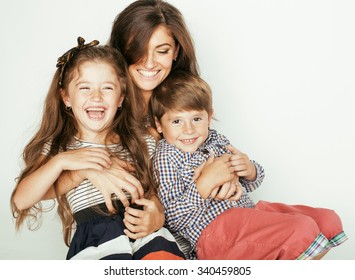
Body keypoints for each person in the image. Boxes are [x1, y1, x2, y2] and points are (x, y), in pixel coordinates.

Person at [10, 37, 185, 260]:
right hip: (96, 240)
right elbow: (21, 200)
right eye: (84, 88)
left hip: (145, 235)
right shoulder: (61, 147)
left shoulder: (141, 140)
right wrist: (63, 161)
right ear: (66, 97)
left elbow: (156, 190)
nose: (96, 97)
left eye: (107, 88)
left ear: (121, 97)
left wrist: (155, 212)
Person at [51, 0, 200, 257]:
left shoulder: (181, 104)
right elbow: (41, 183)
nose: (150, 63)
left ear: (176, 52)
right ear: (120, 50)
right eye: (137, 49)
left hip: (178, 240)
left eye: (162, 51)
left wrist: (234, 164)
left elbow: (191, 177)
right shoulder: (98, 109)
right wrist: (88, 170)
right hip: (115, 242)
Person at [150, 70, 348, 260]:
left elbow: (250, 184)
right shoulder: (166, 157)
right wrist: (204, 185)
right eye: (177, 121)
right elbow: (172, 220)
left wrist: (250, 170)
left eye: (196, 119)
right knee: (302, 229)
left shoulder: (214, 139)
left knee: (327, 221)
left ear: (209, 117)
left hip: (248, 214)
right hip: (215, 233)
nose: (189, 130)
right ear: (159, 125)